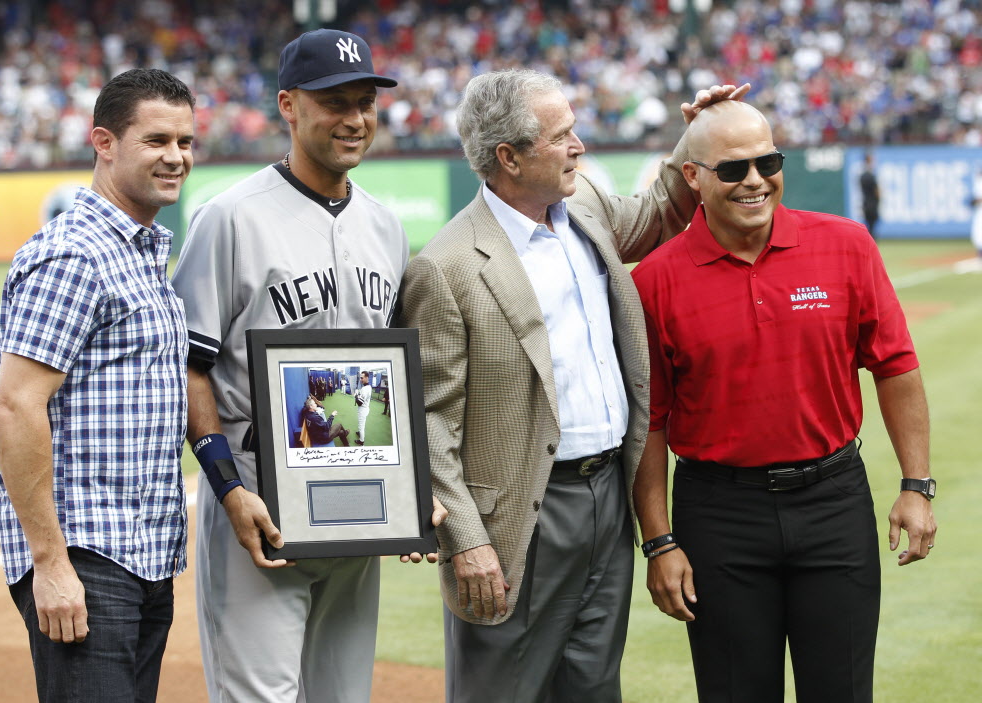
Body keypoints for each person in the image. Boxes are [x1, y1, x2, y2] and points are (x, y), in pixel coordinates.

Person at [399, 68, 748, 702]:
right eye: (562, 136)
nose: (580, 146)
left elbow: (664, 209)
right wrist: (468, 542)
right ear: (509, 156)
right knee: (502, 689)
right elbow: (428, 420)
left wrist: (692, 133)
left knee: (592, 683)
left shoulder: (581, 205)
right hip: (519, 514)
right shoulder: (446, 266)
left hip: (607, 495)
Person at [631, 101, 937, 703]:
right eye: (732, 168)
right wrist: (660, 541)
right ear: (691, 176)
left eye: (767, 161)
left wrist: (916, 484)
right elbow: (650, 423)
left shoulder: (845, 244)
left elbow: (896, 364)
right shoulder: (655, 279)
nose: (753, 180)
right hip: (718, 516)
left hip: (834, 502)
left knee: (843, 691)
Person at [171, 29, 444, 703]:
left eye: (365, 102)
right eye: (334, 102)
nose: (354, 118)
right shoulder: (229, 218)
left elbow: (387, 382)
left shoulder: (385, 227)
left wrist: (409, 491)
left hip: (359, 507)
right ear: (289, 106)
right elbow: (188, 367)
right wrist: (229, 490)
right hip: (260, 505)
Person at [0, 68, 195, 702]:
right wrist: (50, 563)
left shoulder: (141, 252)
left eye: (186, 142)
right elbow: (15, 405)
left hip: (144, 553)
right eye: (156, 140)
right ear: (104, 142)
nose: (176, 157)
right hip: (86, 553)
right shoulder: (75, 254)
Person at [860, 151, 881, 239]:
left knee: (868, 227)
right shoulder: (871, 176)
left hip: (865, 204)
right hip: (872, 205)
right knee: (872, 229)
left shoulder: (862, 176)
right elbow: (877, 192)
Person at [355, 370, 372, 445]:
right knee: (361, 424)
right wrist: (359, 394)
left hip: (363, 409)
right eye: (360, 378)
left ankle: (361, 441)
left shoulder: (365, 389)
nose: (360, 379)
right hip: (365, 408)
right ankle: (359, 433)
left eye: (362, 378)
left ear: (366, 378)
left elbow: (359, 403)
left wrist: (356, 395)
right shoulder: (368, 387)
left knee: (361, 426)